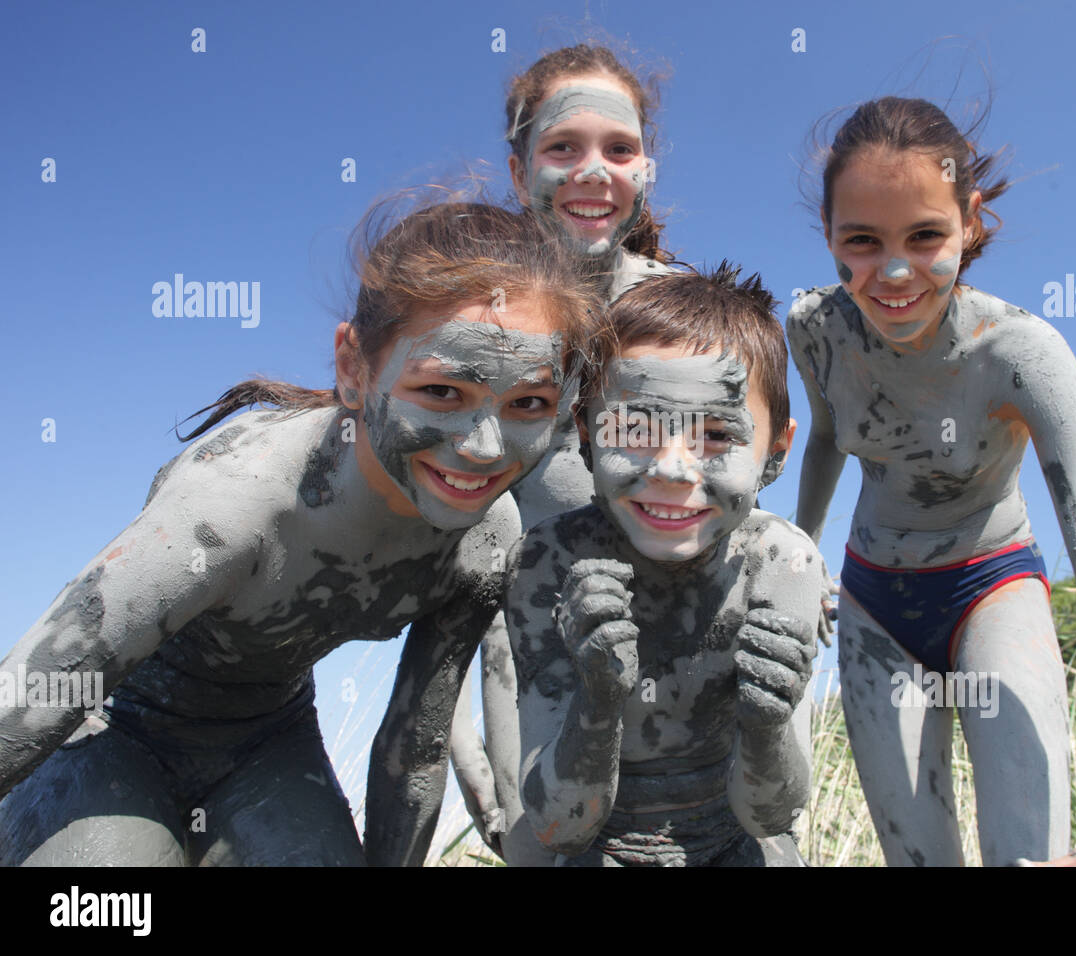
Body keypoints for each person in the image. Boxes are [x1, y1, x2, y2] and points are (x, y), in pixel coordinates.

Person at [0, 199, 602, 866]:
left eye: (527, 404)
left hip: (266, 745)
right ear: (353, 368)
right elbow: (38, 691)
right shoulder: (237, 501)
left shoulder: (486, 540)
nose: (485, 447)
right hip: (110, 729)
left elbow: (417, 749)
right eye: (441, 392)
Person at [787, 97, 1076, 866]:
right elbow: (828, 435)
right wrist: (803, 553)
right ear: (829, 235)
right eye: (860, 241)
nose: (893, 272)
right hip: (873, 605)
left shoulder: (1021, 356)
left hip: (991, 587)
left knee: (1023, 853)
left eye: (925, 236)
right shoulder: (814, 329)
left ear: (972, 221)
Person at [448, 44, 680, 865]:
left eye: (618, 150)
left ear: (646, 168)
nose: (594, 171)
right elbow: (441, 502)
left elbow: (729, 469)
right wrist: (451, 729)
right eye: (562, 148)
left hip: (682, 631)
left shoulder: (679, 308)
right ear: (519, 174)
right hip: (535, 640)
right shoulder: (481, 315)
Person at [507, 265, 822, 866]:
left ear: (775, 453)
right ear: (587, 436)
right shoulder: (548, 565)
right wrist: (598, 701)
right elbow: (557, 826)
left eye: (715, 435)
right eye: (635, 428)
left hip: (734, 840)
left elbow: (772, 814)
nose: (674, 469)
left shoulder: (782, 562)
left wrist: (766, 726)